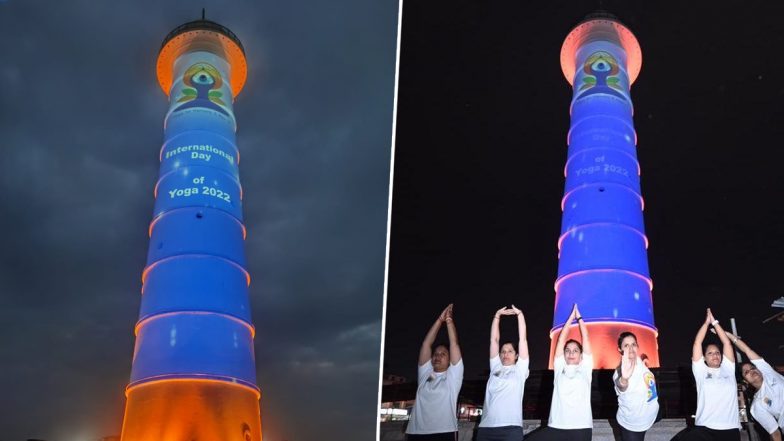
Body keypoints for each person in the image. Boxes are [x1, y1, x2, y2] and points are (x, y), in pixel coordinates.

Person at [527, 304, 593, 441]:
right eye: (567, 350)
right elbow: (560, 340)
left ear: (581, 356)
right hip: (556, 426)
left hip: (580, 428)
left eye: (575, 350)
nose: (571, 353)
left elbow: (585, 337)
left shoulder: (585, 369)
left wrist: (579, 318)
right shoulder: (559, 369)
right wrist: (569, 319)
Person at [678, 308, 740, 441]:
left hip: (730, 428)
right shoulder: (701, 371)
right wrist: (707, 323)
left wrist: (715, 323)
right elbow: (697, 343)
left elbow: (727, 343)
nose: (715, 355)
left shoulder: (728, 369)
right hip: (705, 428)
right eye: (710, 353)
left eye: (717, 352)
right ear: (704, 358)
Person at [406, 304, 464, 441]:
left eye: (443, 354)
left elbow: (454, 344)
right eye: (436, 354)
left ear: (450, 359)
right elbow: (426, 344)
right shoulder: (425, 373)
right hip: (416, 432)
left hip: (444, 432)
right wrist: (439, 319)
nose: (437, 356)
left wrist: (448, 320)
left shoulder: (453, 376)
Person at [476, 305, 530, 441]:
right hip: (486, 428)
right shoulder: (495, 367)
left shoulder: (520, 369)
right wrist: (497, 316)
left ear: (517, 355)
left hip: (511, 430)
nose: (506, 354)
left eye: (510, 351)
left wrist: (520, 315)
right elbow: (493, 340)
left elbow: (523, 339)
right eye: (503, 351)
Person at [723, 330, 783, 440]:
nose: (751, 371)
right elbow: (775, 433)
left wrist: (728, 335)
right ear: (745, 381)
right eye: (746, 372)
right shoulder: (757, 406)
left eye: (752, 368)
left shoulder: (769, 373)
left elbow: (747, 350)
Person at [613, 331, 659, 440]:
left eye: (633, 344)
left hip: (649, 416)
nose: (631, 348)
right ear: (620, 349)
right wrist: (624, 379)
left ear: (637, 346)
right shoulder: (619, 373)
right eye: (626, 345)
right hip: (632, 424)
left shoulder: (640, 363)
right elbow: (622, 386)